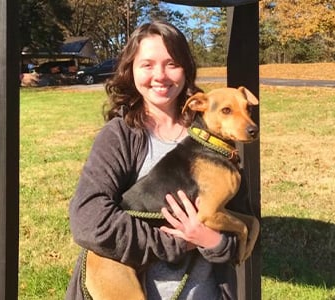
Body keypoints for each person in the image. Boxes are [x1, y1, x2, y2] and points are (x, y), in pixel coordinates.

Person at [66, 20, 249, 300]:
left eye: (172, 64)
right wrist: (176, 242)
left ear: (186, 69)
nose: (160, 75)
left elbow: (237, 229)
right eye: (147, 64)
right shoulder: (119, 136)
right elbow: (88, 219)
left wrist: (212, 240)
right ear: (131, 70)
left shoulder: (217, 136)